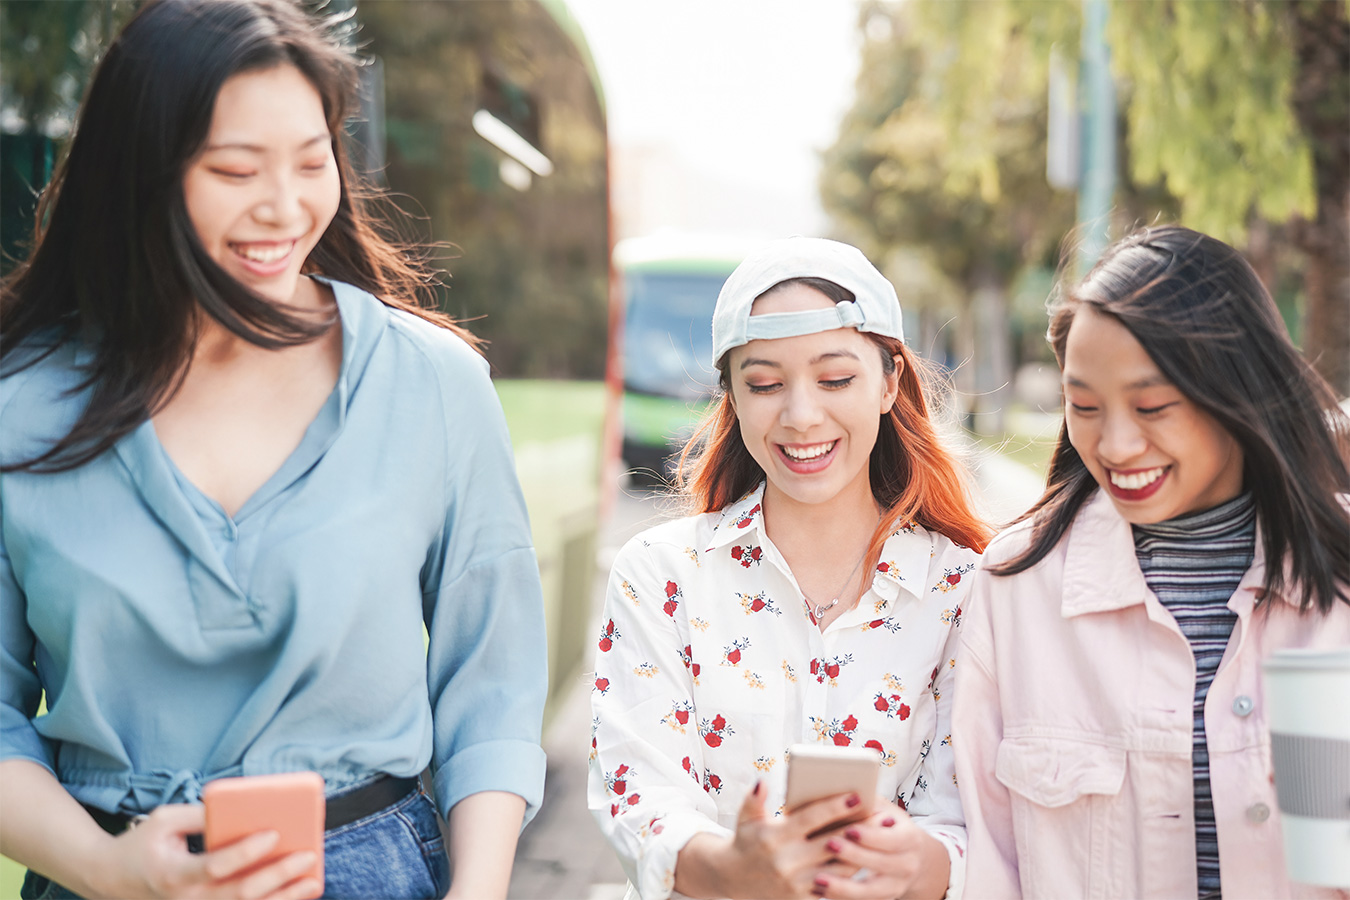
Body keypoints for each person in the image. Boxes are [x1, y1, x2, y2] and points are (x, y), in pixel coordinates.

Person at [0, 1, 547, 898]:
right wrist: (104, 865)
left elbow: (490, 691)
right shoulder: (21, 406)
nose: (285, 207)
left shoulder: (433, 384)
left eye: (311, 158)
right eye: (234, 168)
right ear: (136, 173)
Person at [951, 225, 1350, 899]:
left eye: (1153, 406)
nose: (1116, 443)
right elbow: (989, 864)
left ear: (1238, 389)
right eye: (1083, 406)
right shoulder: (1016, 586)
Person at [588, 237, 992, 900]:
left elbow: (979, 819)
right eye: (765, 384)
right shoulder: (661, 576)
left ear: (890, 381)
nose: (802, 416)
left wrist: (923, 861)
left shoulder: (968, 589)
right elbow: (641, 797)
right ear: (732, 397)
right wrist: (726, 870)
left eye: (836, 379)